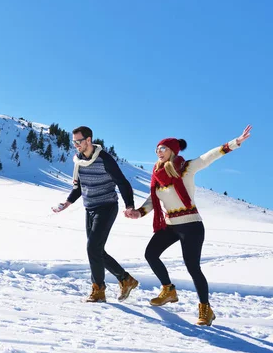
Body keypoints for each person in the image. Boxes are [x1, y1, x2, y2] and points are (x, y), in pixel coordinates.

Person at [125, 125, 252, 326]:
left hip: (191, 225)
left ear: (173, 151)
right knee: (150, 254)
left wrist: (235, 143)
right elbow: (153, 200)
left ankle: (205, 309)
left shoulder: (185, 169)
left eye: (163, 148)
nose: (159, 152)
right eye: (157, 149)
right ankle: (168, 290)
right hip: (170, 225)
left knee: (192, 267)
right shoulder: (157, 176)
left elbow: (208, 157)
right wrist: (138, 212)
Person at [53, 126, 138, 303]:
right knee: (96, 250)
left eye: (79, 141)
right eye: (74, 141)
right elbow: (78, 187)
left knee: (93, 248)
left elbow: (122, 183)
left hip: (107, 207)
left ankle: (98, 290)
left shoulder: (104, 159)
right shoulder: (78, 161)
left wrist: (129, 205)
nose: (76, 145)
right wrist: (67, 203)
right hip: (90, 208)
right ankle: (125, 279)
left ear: (89, 140)